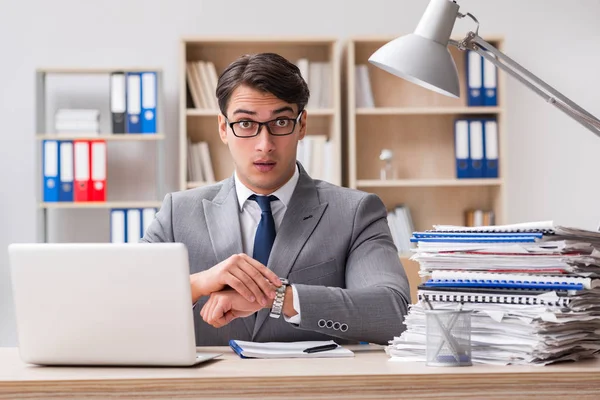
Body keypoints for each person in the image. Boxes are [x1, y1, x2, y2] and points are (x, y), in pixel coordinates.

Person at [142, 52, 410, 346]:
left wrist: (278, 296)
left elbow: (393, 314)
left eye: (281, 122)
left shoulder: (356, 212)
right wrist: (196, 283)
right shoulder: (177, 212)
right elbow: (124, 299)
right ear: (223, 128)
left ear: (302, 125)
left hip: (312, 388)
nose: (264, 144)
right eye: (245, 124)